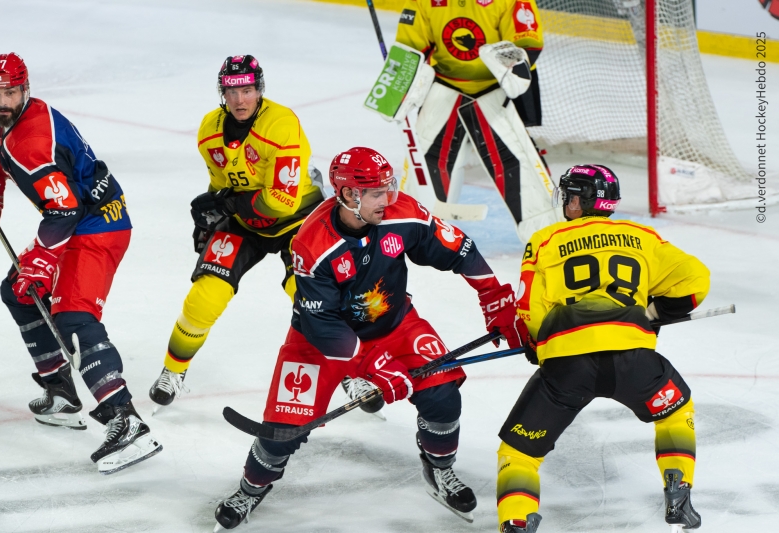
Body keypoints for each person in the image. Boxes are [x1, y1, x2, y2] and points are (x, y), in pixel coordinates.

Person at [212, 147, 523, 531]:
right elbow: (322, 322)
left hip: (395, 325)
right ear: (347, 196)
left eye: (388, 188)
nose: (387, 199)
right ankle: (251, 487)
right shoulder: (312, 243)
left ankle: (439, 468)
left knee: (443, 397)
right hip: (320, 341)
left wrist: (494, 296)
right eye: (377, 193)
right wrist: (375, 368)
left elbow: (459, 248)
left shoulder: (402, 212)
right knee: (282, 430)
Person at [495, 164, 709, 532]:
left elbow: (529, 308)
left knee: (519, 454)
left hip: (568, 366)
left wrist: (535, 343)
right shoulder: (641, 235)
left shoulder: (545, 240)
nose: (566, 202)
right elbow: (695, 281)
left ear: (580, 201)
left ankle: (514, 522)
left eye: (569, 196)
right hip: (635, 363)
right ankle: (679, 490)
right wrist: (653, 312)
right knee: (675, 412)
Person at [0, 53, 161, 474]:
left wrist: (44, 261)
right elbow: (9, 155)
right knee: (18, 290)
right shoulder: (10, 119)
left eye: (10, 91)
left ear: (25, 88)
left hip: (97, 224)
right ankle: (61, 393)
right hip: (79, 215)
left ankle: (127, 419)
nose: (3, 100)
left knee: (73, 315)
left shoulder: (31, 141)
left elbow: (64, 209)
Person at [148, 54, 332, 413]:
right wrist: (211, 220)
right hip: (245, 221)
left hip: (299, 217)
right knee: (205, 295)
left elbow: (280, 200)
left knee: (309, 294)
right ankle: (173, 371)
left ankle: (351, 371)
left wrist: (228, 205)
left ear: (259, 89)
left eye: (247, 89)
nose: (239, 100)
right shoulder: (209, 129)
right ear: (223, 92)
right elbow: (222, 185)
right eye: (232, 91)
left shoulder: (281, 123)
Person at [394, 0, 558, 243]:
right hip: (444, 87)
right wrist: (398, 87)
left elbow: (528, 43)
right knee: (424, 173)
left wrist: (510, 64)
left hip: (494, 90)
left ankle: (549, 239)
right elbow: (410, 46)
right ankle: (414, 234)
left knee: (524, 172)